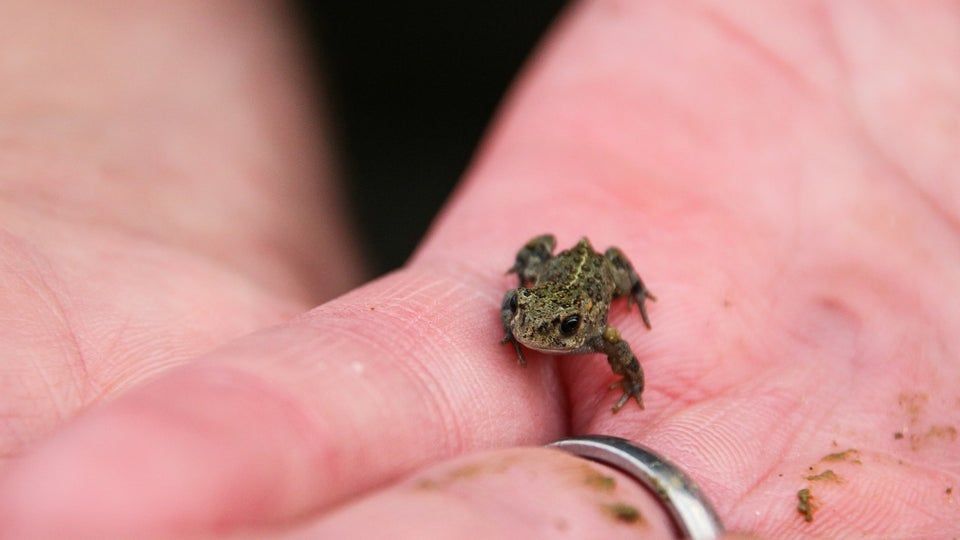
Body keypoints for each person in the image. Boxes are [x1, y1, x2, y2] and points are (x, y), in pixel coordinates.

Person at [1, 1, 958, 538]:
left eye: (543, 327)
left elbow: (621, 360)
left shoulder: (588, 322)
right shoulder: (534, 306)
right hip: (379, 136)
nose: (532, 333)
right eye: (530, 323)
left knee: (610, 264)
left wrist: (632, 341)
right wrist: (88, 104)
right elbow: (526, 285)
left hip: (540, 188)